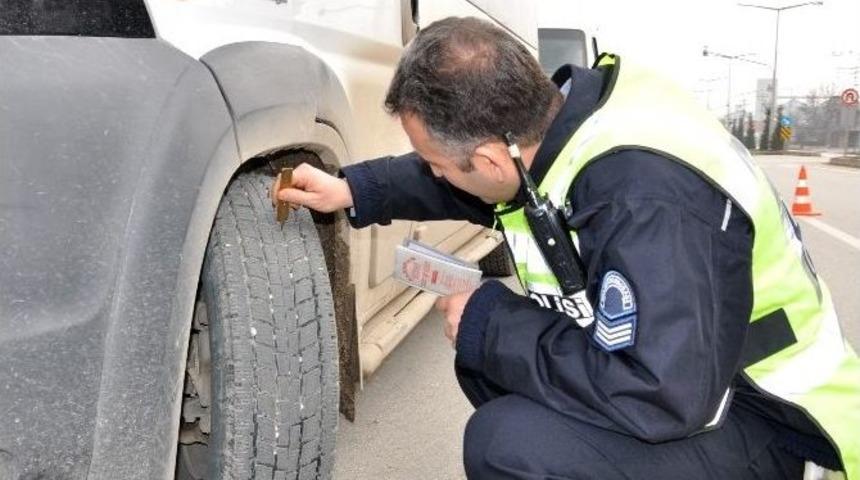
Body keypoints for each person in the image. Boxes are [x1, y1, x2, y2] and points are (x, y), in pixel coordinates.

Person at [275, 16, 858, 480]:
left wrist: (492, 319)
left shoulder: (649, 201)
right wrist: (354, 188)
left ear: (490, 160)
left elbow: (667, 397)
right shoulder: (554, 133)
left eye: (437, 166)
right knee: (493, 369)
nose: (434, 176)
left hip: (771, 416)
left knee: (511, 444)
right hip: (706, 383)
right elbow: (459, 183)